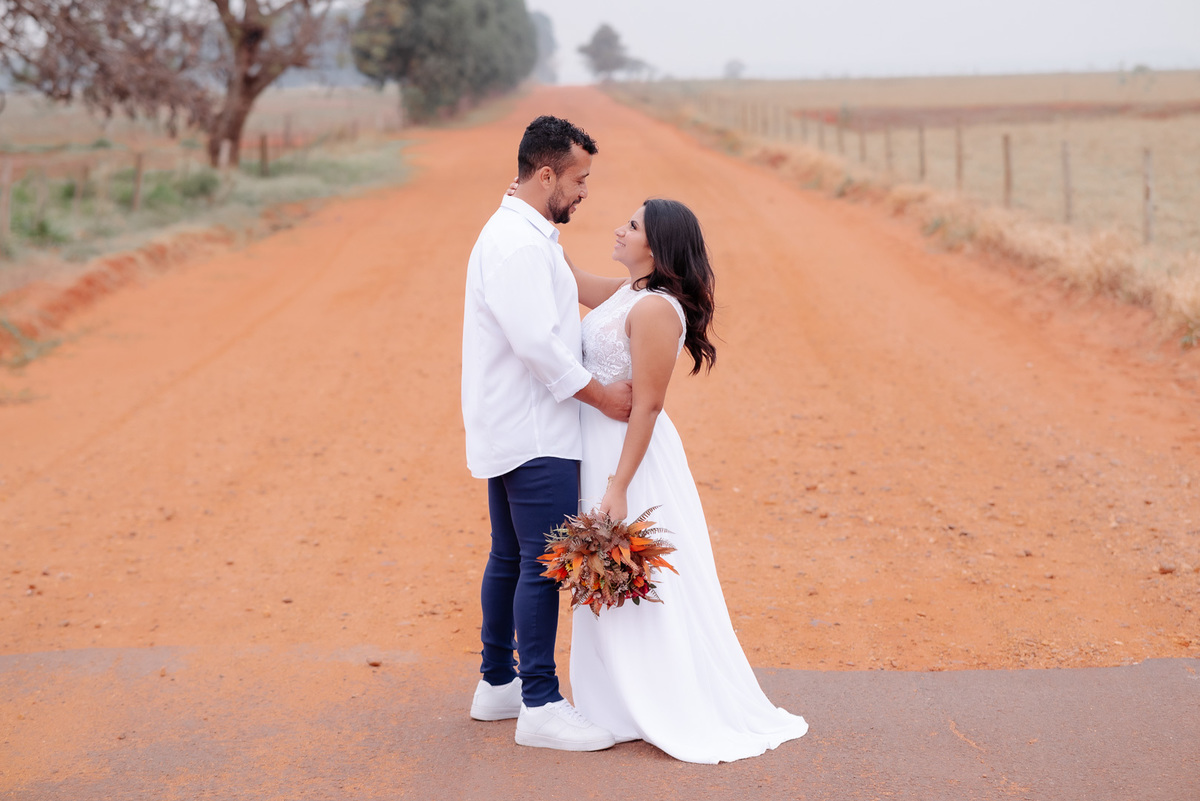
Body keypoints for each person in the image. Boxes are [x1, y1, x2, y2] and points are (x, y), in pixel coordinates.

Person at [566, 198, 810, 763]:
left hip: (629, 457)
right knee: (608, 575)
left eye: (632, 226)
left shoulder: (655, 310)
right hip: (599, 445)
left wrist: (618, 485)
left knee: (636, 574)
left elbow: (648, 406)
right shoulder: (627, 294)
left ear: (656, 246)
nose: (619, 230)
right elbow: (571, 278)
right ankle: (618, 703)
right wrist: (526, 208)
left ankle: (660, 699)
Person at [460, 115, 631, 752]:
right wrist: (603, 394)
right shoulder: (519, 243)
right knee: (542, 564)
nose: (586, 192)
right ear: (547, 173)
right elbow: (537, 342)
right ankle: (539, 703)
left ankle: (497, 684)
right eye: (580, 179)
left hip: (514, 422)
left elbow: (576, 289)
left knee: (511, 555)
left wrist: (649, 292)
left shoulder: (528, 233)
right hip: (535, 427)